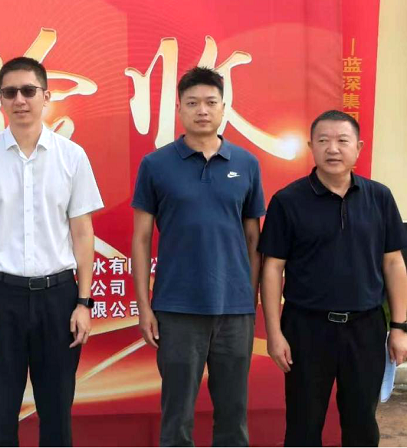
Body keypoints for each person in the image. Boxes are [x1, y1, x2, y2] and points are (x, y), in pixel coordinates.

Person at [0, 56, 103, 447]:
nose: (20, 100)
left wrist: (83, 302)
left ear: (46, 96)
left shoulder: (72, 157)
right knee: (0, 416)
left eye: (29, 91)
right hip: (0, 300)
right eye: (10, 92)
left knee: (57, 413)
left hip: (59, 299)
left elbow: (83, 232)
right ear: (0, 100)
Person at [131, 66, 266, 447]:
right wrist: (144, 307)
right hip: (176, 308)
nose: (202, 110)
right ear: (179, 109)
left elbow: (253, 238)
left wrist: (250, 299)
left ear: (224, 108)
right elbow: (141, 239)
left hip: (234, 310)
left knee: (233, 413)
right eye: (192, 103)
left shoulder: (246, 164)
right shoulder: (156, 165)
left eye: (210, 102)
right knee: (177, 414)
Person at [259, 109, 407, 446]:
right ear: (311, 146)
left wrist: (399, 327)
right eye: (323, 140)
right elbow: (272, 268)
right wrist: (274, 333)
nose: (333, 149)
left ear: (359, 147)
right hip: (306, 328)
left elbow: (394, 263)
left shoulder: (380, 197)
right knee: (303, 424)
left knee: (362, 424)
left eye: (342, 140)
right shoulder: (288, 201)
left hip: (365, 327)